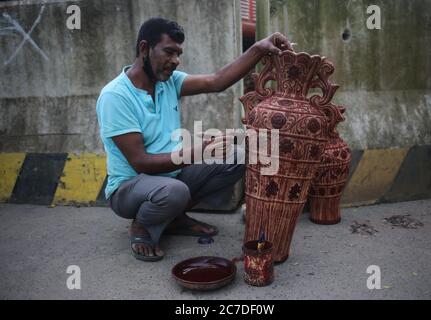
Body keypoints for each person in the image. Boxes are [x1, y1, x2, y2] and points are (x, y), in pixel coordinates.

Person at [96, 17, 292, 261]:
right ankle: (143, 226)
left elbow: (216, 81)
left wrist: (258, 48)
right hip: (128, 188)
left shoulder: (167, 82)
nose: (175, 61)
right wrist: (198, 152)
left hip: (169, 178)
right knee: (174, 191)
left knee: (237, 158)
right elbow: (141, 162)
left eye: (178, 53)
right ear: (144, 49)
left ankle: (174, 218)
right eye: (169, 52)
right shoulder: (115, 96)